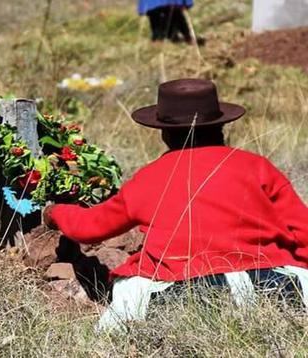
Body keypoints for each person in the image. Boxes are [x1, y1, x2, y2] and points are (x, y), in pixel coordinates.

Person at [44, 79, 308, 331]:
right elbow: (303, 231)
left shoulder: (149, 178)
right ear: (220, 127)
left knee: (133, 291)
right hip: (275, 287)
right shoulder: (256, 166)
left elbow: (91, 227)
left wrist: (56, 212)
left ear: (165, 134)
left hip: (181, 295)